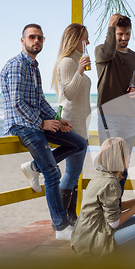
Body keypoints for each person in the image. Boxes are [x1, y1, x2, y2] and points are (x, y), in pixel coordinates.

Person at [1, 23, 87, 241]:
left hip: (37, 122)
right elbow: (17, 104)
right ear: (23, 40)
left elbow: (39, 100)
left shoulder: (33, 66)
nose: (36, 41)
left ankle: (33, 167)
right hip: (22, 125)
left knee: (79, 143)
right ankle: (60, 227)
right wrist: (42, 124)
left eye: (40, 38)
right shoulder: (16, 65)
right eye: (32, 37)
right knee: (52, 172)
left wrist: (58, 120)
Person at [71, 137, 135, 257]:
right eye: (126, 154)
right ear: (117, 158)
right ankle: (123, 255)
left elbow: (111, 208)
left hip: (87, 234)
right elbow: (113, 223)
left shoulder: (101, 175)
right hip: (95, 239)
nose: (130, 156)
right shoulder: (110, 183)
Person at [95, 14, 135, 195]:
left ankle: (115, 207)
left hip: (131, 116)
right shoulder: (101, 51)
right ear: (113, 33)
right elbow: (108, 52)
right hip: (109, 114)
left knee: (124, 163)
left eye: (127, 34)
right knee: (109, 162)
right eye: (119, 34)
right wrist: (110, 25)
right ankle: (104, 209)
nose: (124, 38)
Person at [51, 23, 92, 226]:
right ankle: (66, 217)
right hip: (72, 123)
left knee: (75, 173)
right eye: (85, 38)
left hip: (81, 123)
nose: (88, 42)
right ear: (75, 39)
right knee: (72, 173)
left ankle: (71, 216)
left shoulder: (76, 62)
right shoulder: (68, 62)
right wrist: (80, 71)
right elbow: (69, 94)